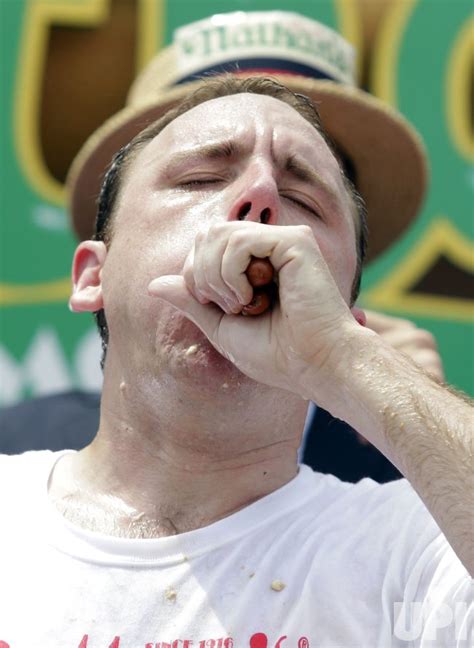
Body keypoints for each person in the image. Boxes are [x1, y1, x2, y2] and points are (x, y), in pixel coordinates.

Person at [0, 73, 471, 648]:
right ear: (92, 276)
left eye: (304, 201)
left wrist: (347, 362)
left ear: (347, 314)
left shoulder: (416, 550)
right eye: (200, 178)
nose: (260, 198)